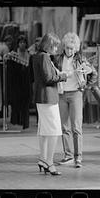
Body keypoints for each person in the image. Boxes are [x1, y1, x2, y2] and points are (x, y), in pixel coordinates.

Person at [55, 32, 98, 168]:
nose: (69, 50)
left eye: (72, 48)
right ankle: (68, 156)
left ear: (77, 48)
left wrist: (86, 84)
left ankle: (78, 157)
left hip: (75, 94)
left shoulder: (81, 59)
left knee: (76, 127)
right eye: (67, 47)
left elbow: (94, 74)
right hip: (62, 94)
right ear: (64, 47)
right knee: (64, 127)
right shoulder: (58, 59)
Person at [32, 33, 68, 176]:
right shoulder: (44, 57)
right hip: (48, 98)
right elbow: (49, 78)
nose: (56, 48)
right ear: (49, 45)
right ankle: (49, 162)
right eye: (55, 46)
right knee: (54, 130)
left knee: (44, 130)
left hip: (42, 97)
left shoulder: (37, 56)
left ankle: (43, 159)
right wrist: (63, 76)